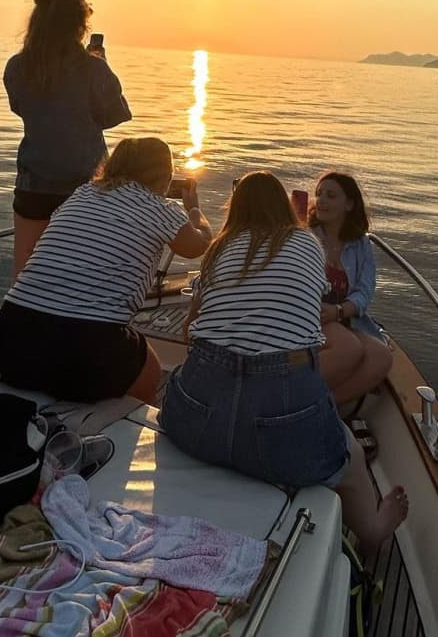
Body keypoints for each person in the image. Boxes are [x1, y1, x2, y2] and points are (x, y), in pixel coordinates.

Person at [159, 172, 408, 556]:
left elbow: (193, 327)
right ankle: (373, 531)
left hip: (196, 419)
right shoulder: (307, 244)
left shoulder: (219, 249)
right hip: (280, 422)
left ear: (235, 209)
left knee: (183, 381)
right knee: (351, 459)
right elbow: (306, 316)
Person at [0, 136, 212, 404]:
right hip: (86, 347)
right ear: (164, 175)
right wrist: (194, 209)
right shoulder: (159, 208)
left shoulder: (82, 193)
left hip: (12, 339)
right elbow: (198, 245)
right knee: (151, 373)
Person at [4, 0, 132, 279]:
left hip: (33, 183)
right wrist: (99, 64)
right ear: (80, 23)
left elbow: (22, 109)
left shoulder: (17, 67)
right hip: (86, 186)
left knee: (26, 268)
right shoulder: (94, 69)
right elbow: (114, 116)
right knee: (83, 271)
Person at [309, 172, 393, 408]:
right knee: (349, 349)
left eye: (331, 195)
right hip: (312, 317)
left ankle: (325, 406)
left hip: (345, 318)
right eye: (319, 194)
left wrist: (339, 311)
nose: (321, 200)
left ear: (349, 204)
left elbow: (365, 291)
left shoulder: (361, 244)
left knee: (381, 357)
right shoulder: (306, 237)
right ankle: (304, 400)